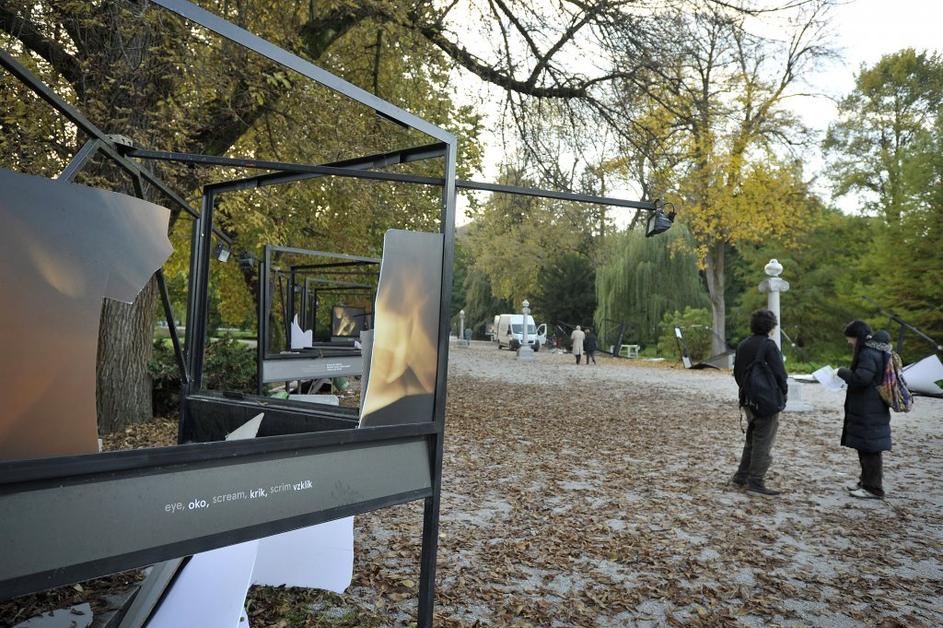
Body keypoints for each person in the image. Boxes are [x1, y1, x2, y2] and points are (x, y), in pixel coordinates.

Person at [731, 309, 788, 496]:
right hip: (766, 401)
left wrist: (748, 391)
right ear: (771, 327)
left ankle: (741, 476)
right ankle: (756, 481)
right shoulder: (769, 345)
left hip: (748, 399)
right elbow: (780, 374)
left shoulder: (743, 344)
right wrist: (782, 394)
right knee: (764, 440)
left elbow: (738, 373)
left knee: (752, 438)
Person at [837, 321, 892, 499]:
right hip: (872, 407)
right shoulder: (876, 350)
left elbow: (861, 379)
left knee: (870, 449)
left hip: (869, 407)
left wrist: (841, 372)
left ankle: (873, 488)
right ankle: (865, 482)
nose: (849, 342)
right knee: (866, 447)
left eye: (850, 338)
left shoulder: (868, 353)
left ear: (857, 337)